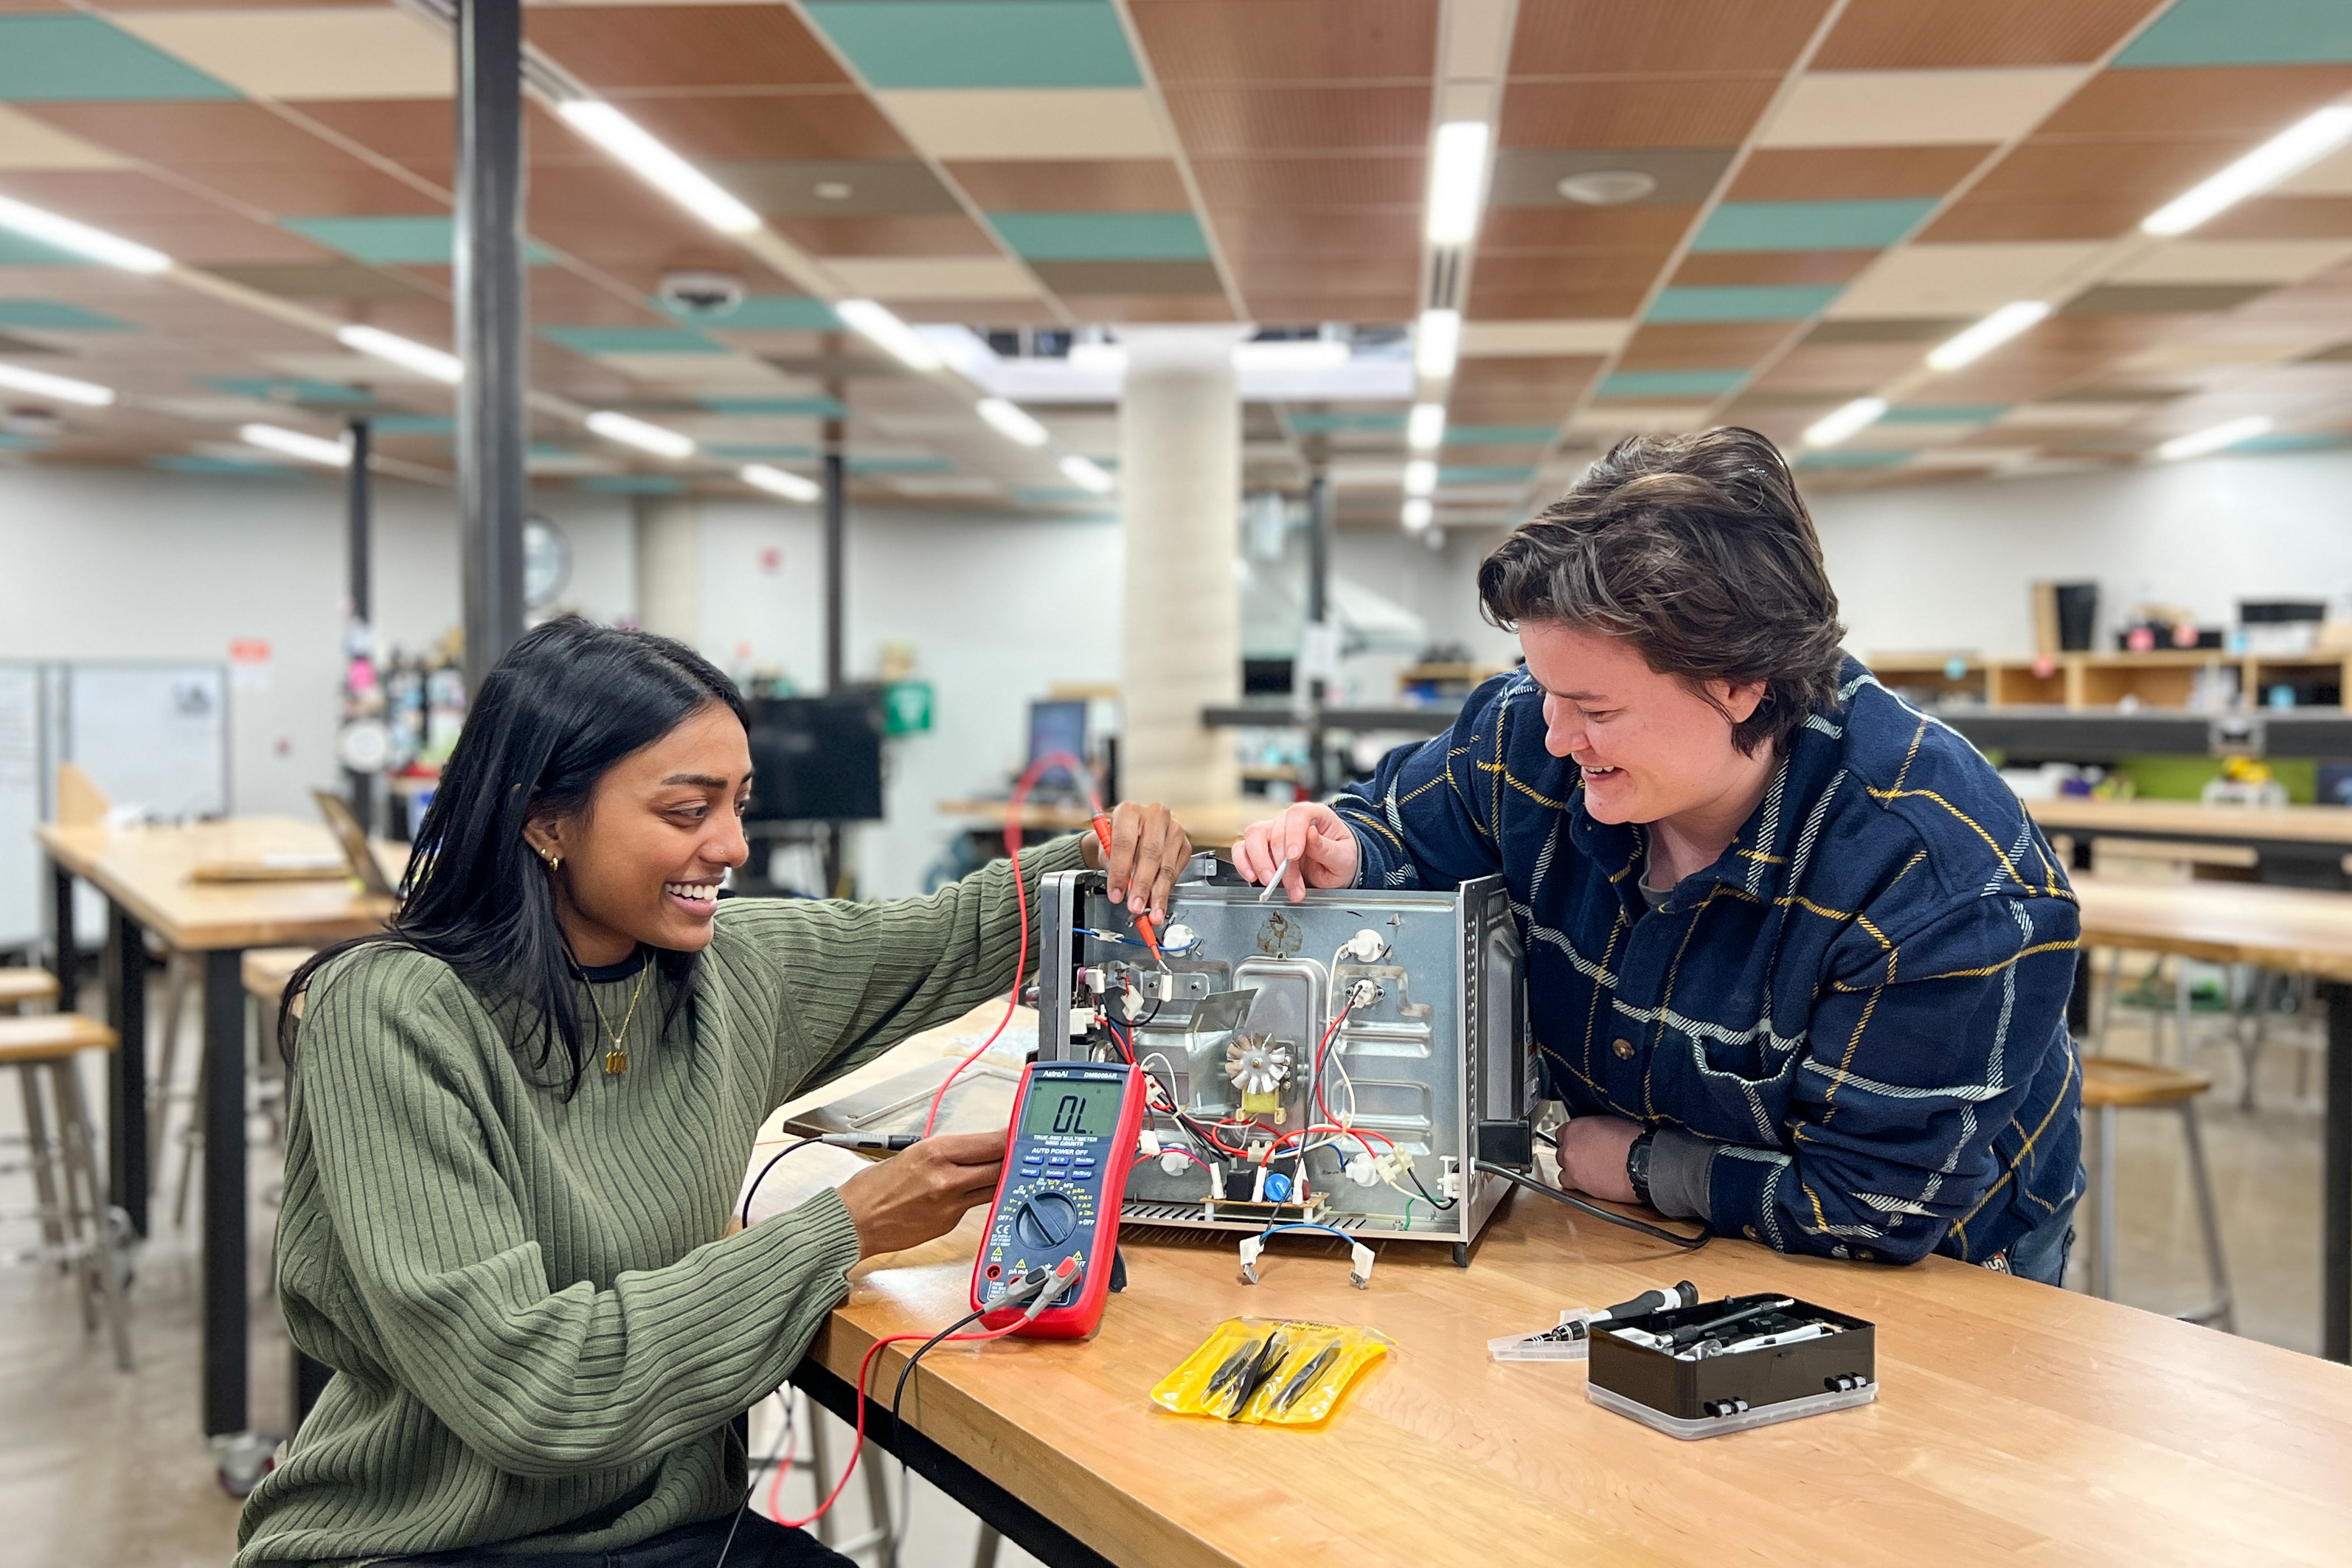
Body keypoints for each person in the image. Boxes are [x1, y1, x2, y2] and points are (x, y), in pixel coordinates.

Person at [237, 617, 1190, 1568]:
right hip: (419, 1548)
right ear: (543, 817)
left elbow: (950, 935)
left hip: (672, 1536)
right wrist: (847, 1226)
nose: (732, 844)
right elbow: (534, 1390)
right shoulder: (393, 1015)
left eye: (739, 802)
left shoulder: (729, 969)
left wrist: (1111, 850)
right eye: (687, 811)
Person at [1233, 428, 2081, 1279]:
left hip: (1937, 1276)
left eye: (1596, 709)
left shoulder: (1942, 882)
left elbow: (1872, 1202)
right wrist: (1351, 855)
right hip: (1629, 1238)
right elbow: (1401, 828)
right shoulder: (1524, 734)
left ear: (1742, 682)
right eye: (1543, 688)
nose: (1557, 736)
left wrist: (1641, 1163)